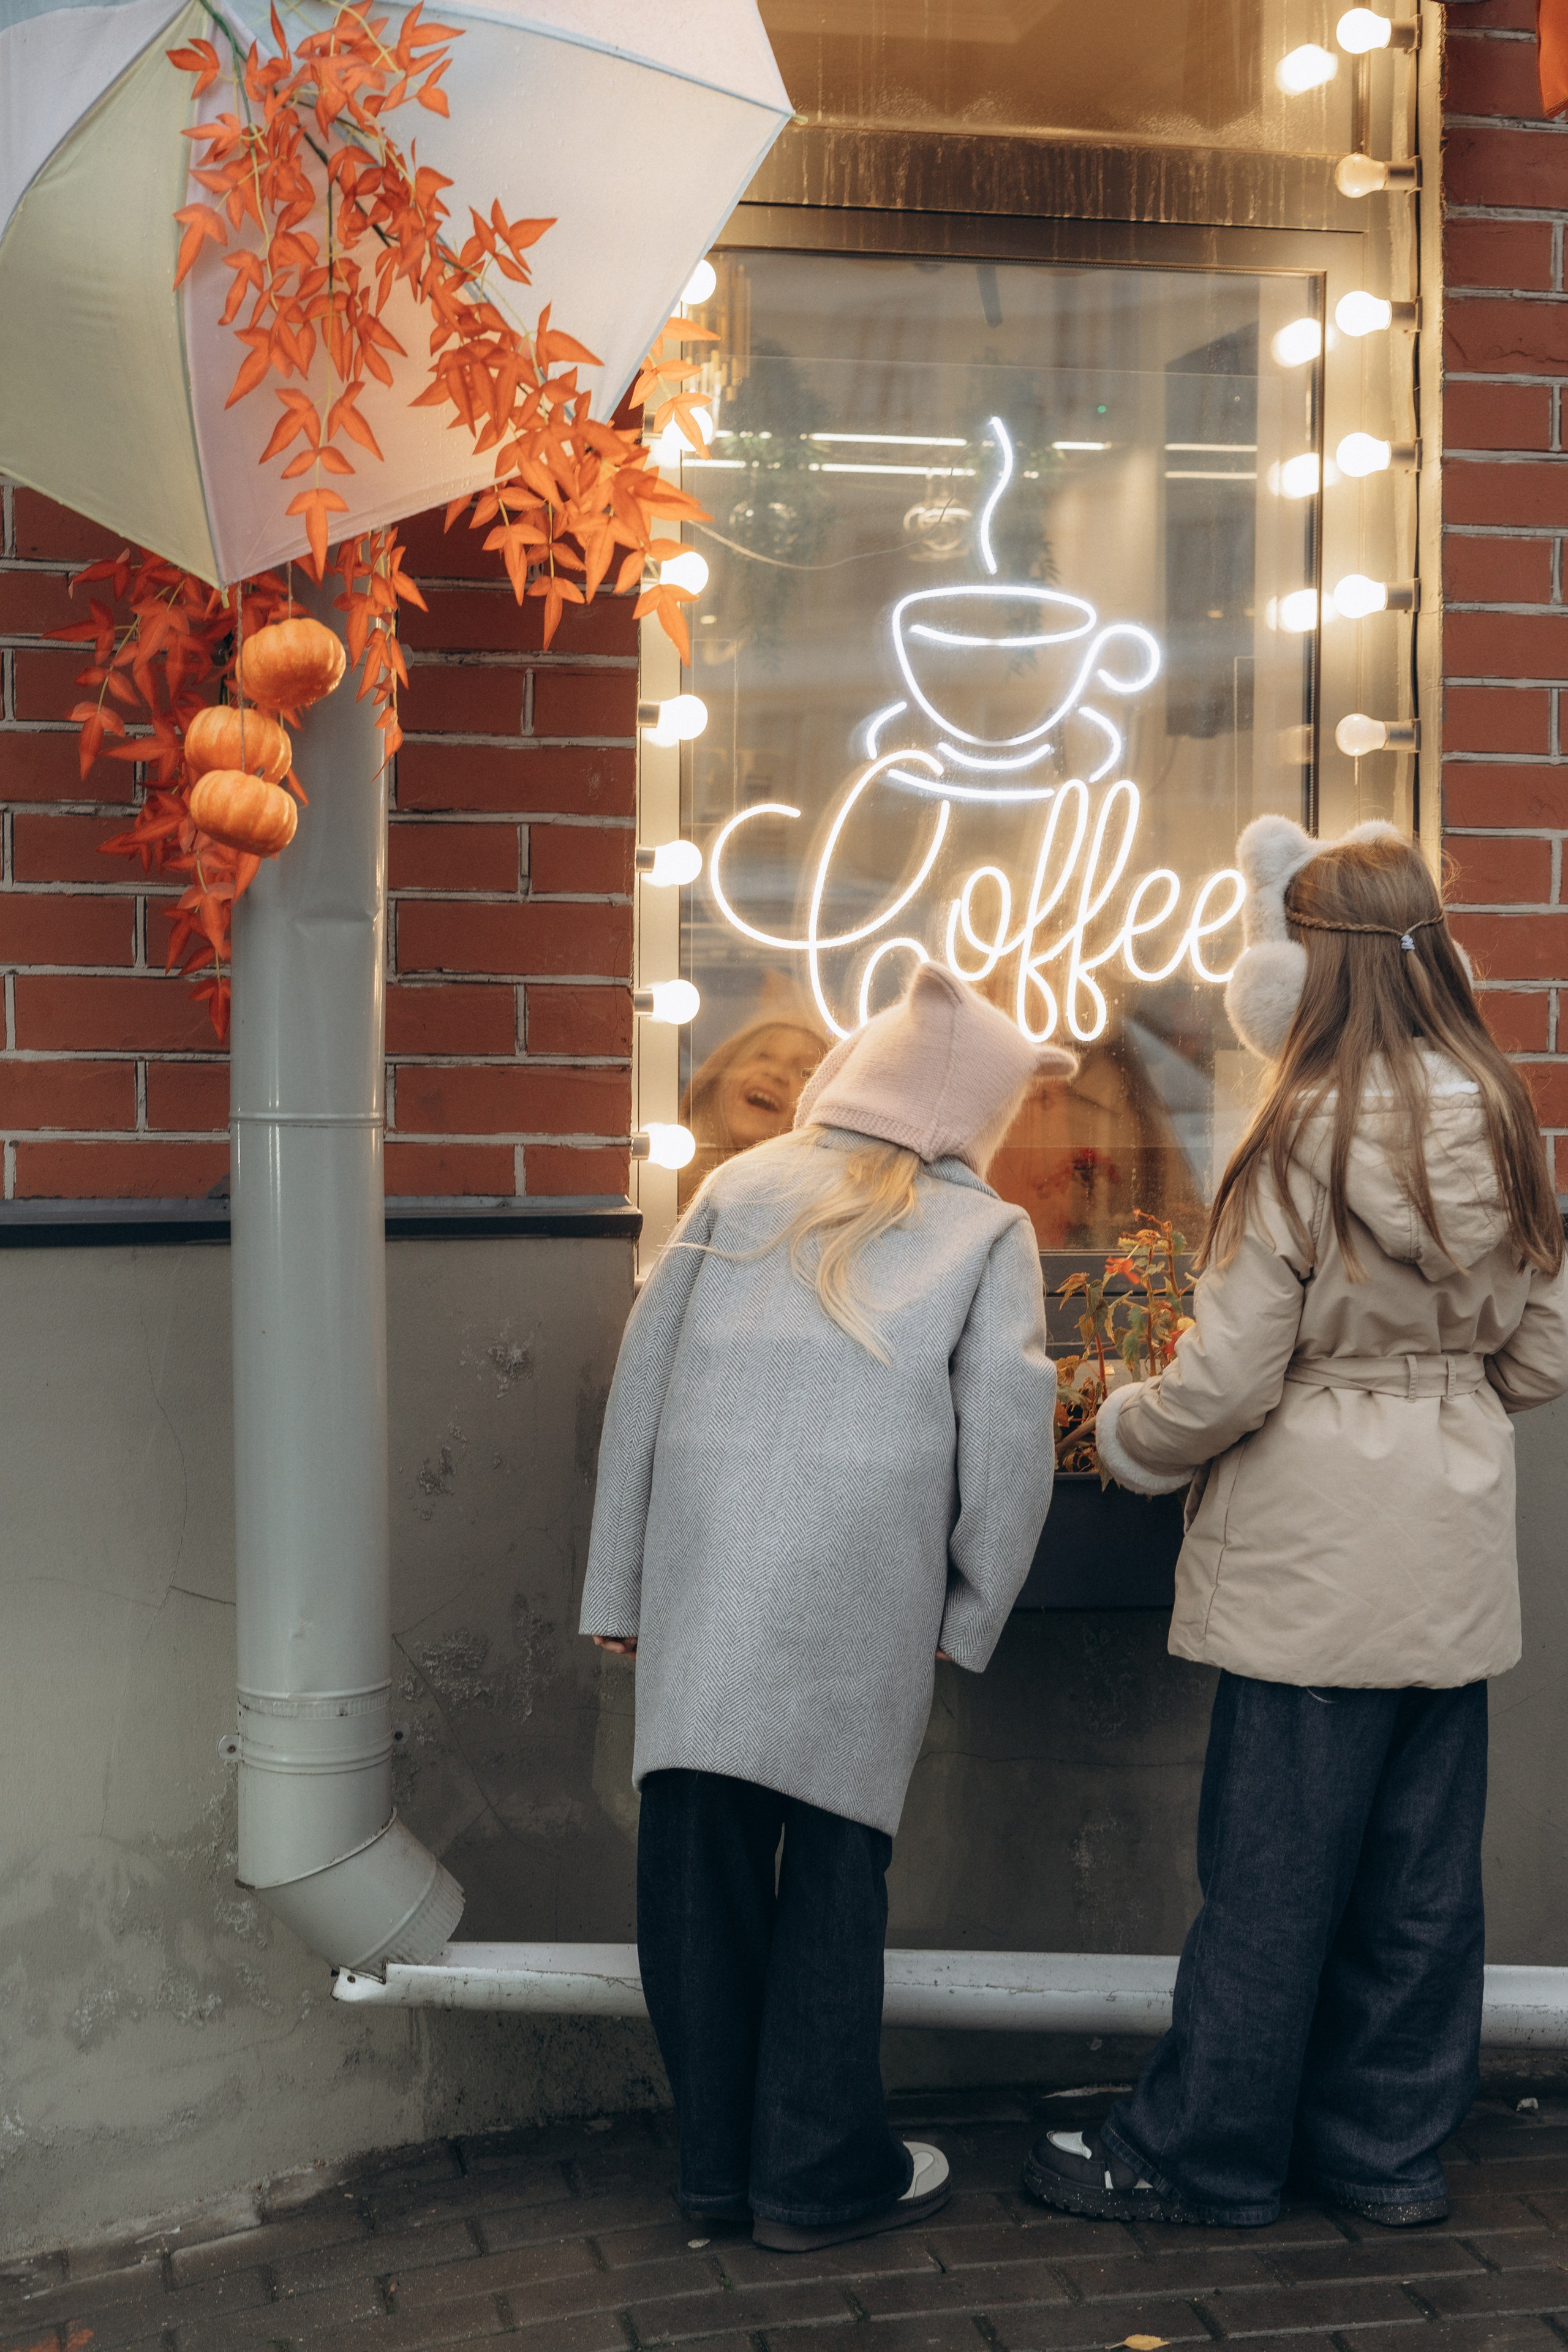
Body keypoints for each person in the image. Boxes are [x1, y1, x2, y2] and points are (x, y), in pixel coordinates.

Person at [1023, 815, 1568, 2232]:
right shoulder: (1504, 1115)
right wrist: (1438, 1394)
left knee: (1269, 1877)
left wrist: (1121, 1431)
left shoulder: (1293, 1141)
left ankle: (1204, 2154)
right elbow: (1544, 1349)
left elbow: (1222, 1380)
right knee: (1417, 1889)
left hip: (1311, 1555)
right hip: (1448, 1548)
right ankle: (1384, 2156)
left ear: (1305, 968)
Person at [580, 965, 1075, 2251]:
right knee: (836, 1886)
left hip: (704, 1590)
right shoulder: (982, 1231)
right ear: (978, 1113)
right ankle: (815, 2173)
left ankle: (713, 2174)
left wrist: (618, 1585)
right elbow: (1009, 1441)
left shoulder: (736, 1189)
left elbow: (642, 1392)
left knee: (695, 1880)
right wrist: (968, 1606)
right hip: (865, 1599)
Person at [678, 1016, 829, 1206]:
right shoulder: (662, 1185)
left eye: (805, 1072)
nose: (776, 1073)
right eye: (762, 1055)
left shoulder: (814, 1210)